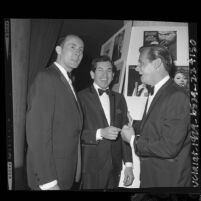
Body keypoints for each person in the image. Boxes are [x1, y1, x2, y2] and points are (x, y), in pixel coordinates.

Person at [121, 45, 191, 187]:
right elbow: (158, 125)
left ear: (157, 63)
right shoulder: (161, 91)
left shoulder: (177, 95)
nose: (137, 68)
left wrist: (133, 140)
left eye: (141, 63)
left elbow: (169, 147)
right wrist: (133, 125)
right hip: (154, 177)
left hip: (168, 181)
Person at [26, 34, 84, 190]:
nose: (78, 53)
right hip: (51, 176)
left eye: (81, 50)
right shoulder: (46, 78)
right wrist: (48, 181)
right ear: (59, 49)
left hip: (65, 171)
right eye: (72, 47)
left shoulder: (66, 80)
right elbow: (37, 134)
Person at [78, 55, 134, 189]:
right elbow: (74, 133)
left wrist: (128, 165)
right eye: (100, 70)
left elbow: (125, 132)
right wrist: (100, 133)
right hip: (90, 166)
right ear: (92, 74)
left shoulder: (120, 99)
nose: (105, 74)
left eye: (109, 70)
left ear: (113, 75)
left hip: (115, 166)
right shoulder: (80, 97)